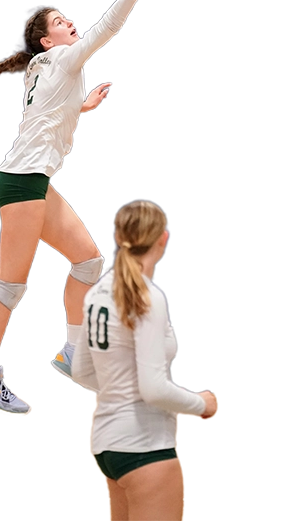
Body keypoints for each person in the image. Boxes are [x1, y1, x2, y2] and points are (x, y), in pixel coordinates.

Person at [0, 0, 176, 416]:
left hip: (30, 180)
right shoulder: (62, 57)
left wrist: (81, 106)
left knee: (86, 260)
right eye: (60, 22)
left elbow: (43, 116)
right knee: (10, 286)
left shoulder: (48, 66)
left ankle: (75, 356)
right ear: (47, 40)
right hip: (22, 182)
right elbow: (107, 27)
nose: (69, 24)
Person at [72, 199, 218, 521]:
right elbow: (153, 389)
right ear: (163, 239)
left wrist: (124, 389)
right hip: (145, 446)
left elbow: (80, 368)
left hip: (109, 447)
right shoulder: (146, 296)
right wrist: (201, 404)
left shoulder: (98, 292)